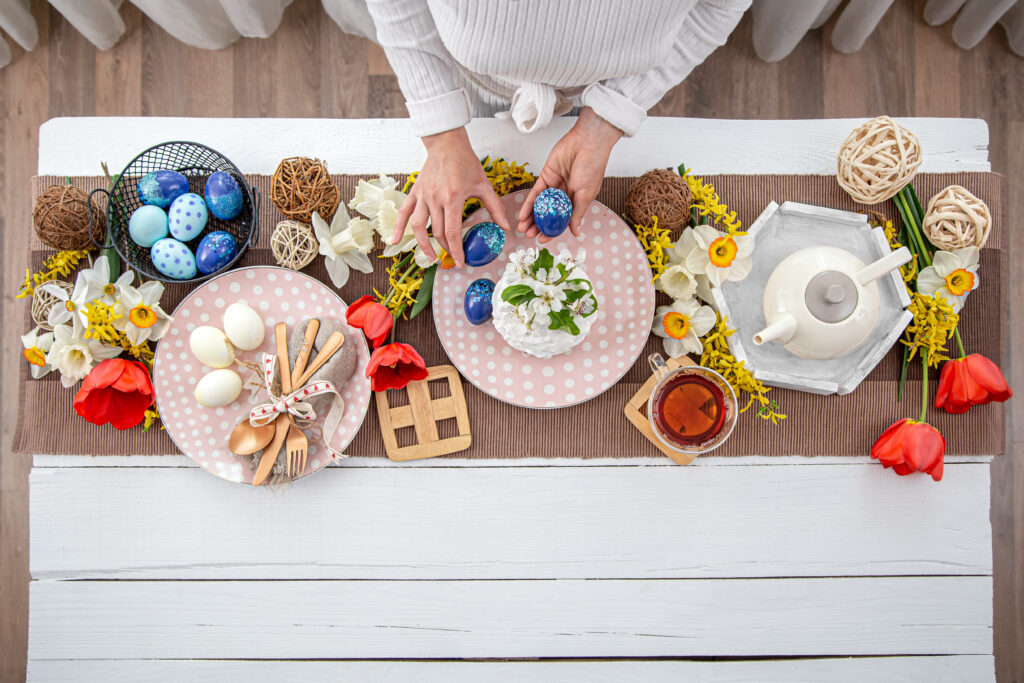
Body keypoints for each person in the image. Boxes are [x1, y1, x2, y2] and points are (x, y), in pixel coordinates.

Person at [366, 0, 750, 266]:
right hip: (472, 87)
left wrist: (608, 117)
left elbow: (718, 7)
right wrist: (442, 133)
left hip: (611, 88)